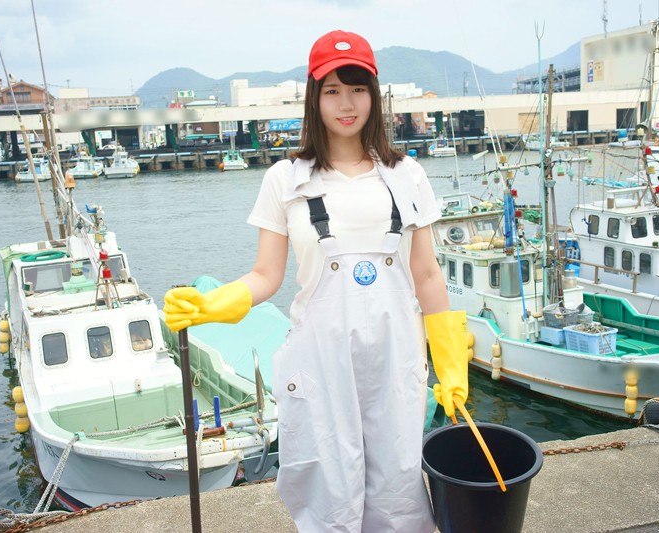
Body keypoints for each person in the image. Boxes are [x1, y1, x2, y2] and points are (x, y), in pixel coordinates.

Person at [164, 29, 468, 532]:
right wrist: (212, 304)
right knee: (331, 490)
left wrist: (452, 364)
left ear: (374, 94)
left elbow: (427, 273)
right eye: (332, 90)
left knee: (399, 487)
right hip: (320, 358)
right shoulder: (285, 179)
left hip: (397, 355)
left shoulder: (408, 174)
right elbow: (266, 275)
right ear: (314, 96)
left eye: (358, 89)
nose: (346, 104)